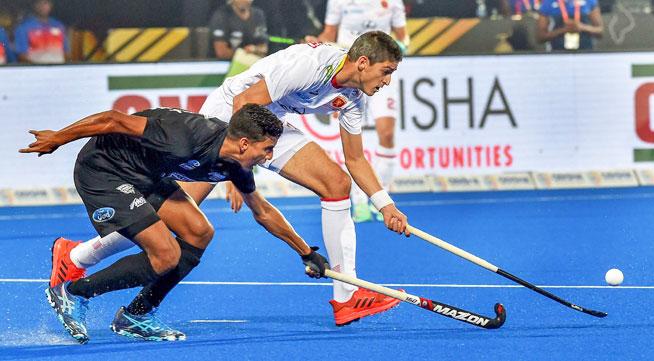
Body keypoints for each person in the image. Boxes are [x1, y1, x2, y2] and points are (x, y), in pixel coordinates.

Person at [51, 31, 410, 327]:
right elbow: (244, 105)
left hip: (273, 123)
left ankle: (346, 297)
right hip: (230, 119)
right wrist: (237, 172)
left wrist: (385, 204)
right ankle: (78, 255)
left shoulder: (352, 96)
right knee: (172, 212)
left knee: (336, 184)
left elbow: (355, 159)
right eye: (386, 72)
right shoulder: (308, 64)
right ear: (363, 63)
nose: (387, 81)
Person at [21, 105, 329, 343]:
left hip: (147, 175)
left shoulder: (235, 164)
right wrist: (58, 138)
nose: (269, 157)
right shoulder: (187, 136)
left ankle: (137, 315)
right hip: (105, 171)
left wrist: (305, 252)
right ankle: (73, 293)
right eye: (267, 149)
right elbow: (113, 120)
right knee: (166, 254)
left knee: (199, 232)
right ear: (245, 143)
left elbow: (261, 211)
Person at [305, 0, 409, 223]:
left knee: (387, 134)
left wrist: (398, 49)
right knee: (351, 140)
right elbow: (330, 33)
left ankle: (380, 198)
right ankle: (359, 201)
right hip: (350, 72)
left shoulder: (393, 2)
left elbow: (403, 37)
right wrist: (317, 43)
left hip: (379, 70)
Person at [536, 0, 603, 51]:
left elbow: (600, 31)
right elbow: (541, 37)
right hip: (557, 53)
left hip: (585, 51)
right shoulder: (548, 2)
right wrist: (563, 30)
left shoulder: (589, 1)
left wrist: (581, 27)